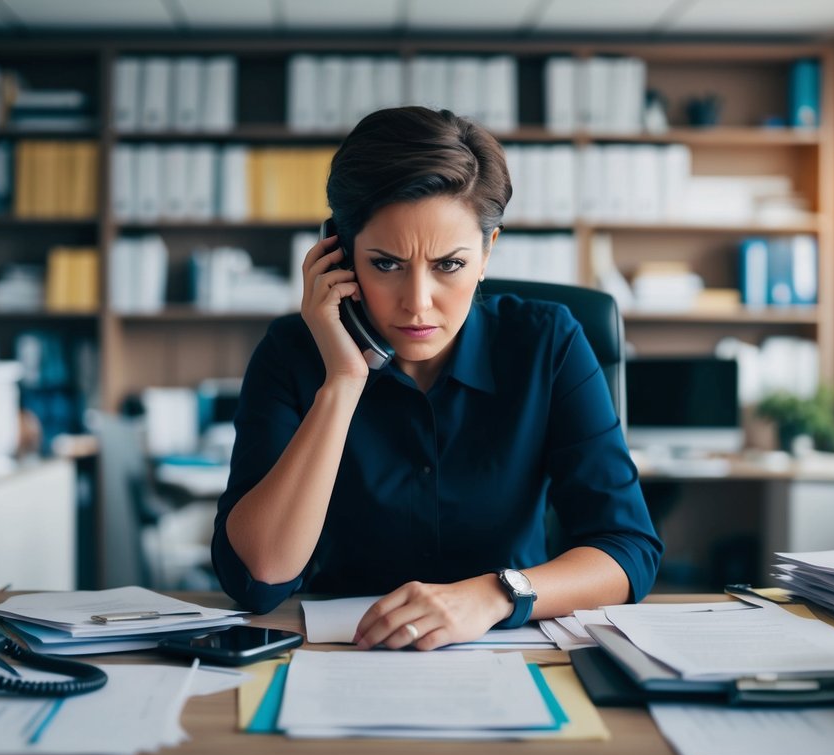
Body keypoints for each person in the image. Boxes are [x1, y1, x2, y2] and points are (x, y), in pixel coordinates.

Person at [212, 106, 661, 650]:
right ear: (339, 254)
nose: (418, 304)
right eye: (386, 264)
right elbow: (260, 576)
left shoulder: (547, 343)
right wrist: (343, 381)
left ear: (486, 253)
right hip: (338, 657)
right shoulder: (292, 353)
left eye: (449, 265)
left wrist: (495, 595)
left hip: (508, 652)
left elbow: (626, 548)